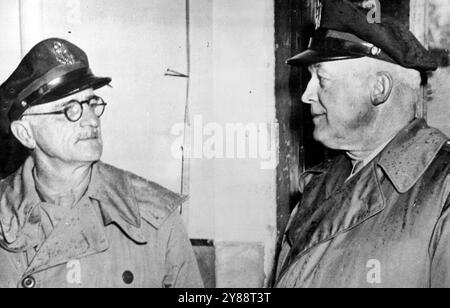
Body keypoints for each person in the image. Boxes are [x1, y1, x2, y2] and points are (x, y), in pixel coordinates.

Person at [0, 38, 203, 288]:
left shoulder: (153, 216)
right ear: (26, 133)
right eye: (69, 109)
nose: (91, 120)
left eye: (92, 103)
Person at [273, 0, 449, 288]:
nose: (306, 94)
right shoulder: (319, 186)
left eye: (322, 79)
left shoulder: (442, 191)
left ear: (378, 89)